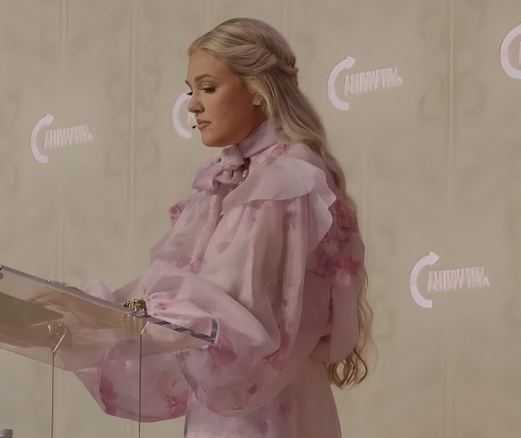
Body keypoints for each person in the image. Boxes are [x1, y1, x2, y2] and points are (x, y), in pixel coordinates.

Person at [74, 17, 372, 438]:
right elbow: (183, 292)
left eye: (208, 88)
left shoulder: (287, 179)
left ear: (257, 90)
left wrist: (128, 317)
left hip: (272, 407)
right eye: (190, 90)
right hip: (228, 408)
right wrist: (92, 314)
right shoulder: (224, 184)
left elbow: (240, 316)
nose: (193, 105)